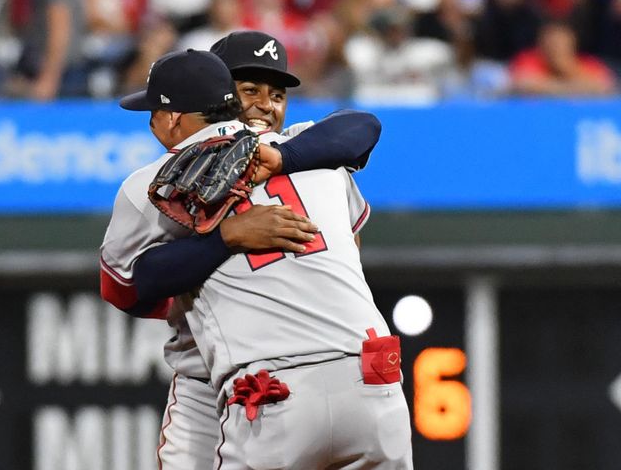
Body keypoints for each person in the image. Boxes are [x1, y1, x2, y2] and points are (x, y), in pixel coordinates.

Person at [102, 43, 411, 468]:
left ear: (171, 116)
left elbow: (123, 288)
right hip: (369, 372)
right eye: (251, 89)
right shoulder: (321, 156)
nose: (266, 104)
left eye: (277, 94)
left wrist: (222, 237)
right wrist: (230, 235)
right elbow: (360, 132)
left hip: (264, 382)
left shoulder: (157, 181)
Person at [509, 21, 617, 96]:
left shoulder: (587, 62)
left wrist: (567, 70)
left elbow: (605, 85)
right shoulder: (528, 59)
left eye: (560, 42)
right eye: (551, 41)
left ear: (572, 42)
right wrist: (572, 88)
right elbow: (524, 84)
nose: (555, 47)